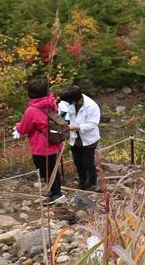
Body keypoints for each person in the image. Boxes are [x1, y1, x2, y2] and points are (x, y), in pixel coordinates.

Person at [14, 77, 66, 205]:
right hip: (53, 140)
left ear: (30, 93)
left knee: (44, 170)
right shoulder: (51, 102)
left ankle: (56, 194)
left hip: (41, 145)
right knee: (53, 168)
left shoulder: (31, 110)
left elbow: (25, 127)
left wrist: (17, 128)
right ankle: (56, 191)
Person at [58, 85, 101, 191]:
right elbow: (63, 114)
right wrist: (63, 122)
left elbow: (93, 123)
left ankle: (91, 183)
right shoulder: (67, 103)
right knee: (77, 161)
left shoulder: (91, 106)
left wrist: (76, 127)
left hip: (88, 138)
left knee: (88, 162)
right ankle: (82, 182)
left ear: (74, 99)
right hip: (75, 138)